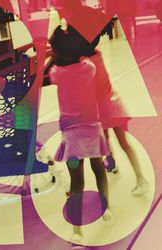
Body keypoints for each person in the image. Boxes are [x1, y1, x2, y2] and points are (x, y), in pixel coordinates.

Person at [65, 23, 148, 196]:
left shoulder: (83, 64)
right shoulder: (98, 56)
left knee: (106, 141)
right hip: (113, 104)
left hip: (100, 110)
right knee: (124, 143)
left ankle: (115, 165)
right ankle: (139, 177)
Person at [48, 25, 113, 240]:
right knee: (99, 169)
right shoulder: (88, 68)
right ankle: (106, 207)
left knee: (77, 182)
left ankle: (77, 230)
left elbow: (52, 69)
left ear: (63, 53)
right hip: (92, 131)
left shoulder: (56, 73)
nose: (53, 54)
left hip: (72, 136)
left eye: (54, 50)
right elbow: (84, 59)